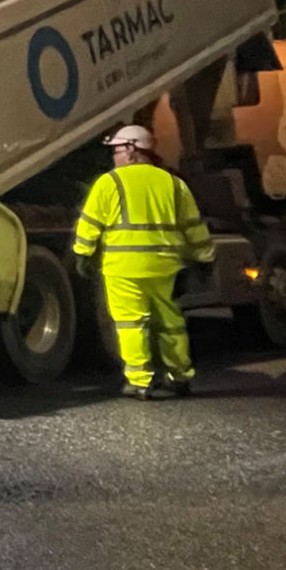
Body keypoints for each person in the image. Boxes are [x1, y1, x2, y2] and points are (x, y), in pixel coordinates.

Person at [72, 123, 214, 400]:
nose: (114, 157)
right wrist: (204, 259)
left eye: (116, 151)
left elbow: (90, 224)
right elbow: (193, 227)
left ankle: (140, 382)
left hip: (122, 268)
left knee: (131, 324)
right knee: (171, 322)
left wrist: (83, 253)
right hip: (165, 266)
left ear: (131, 150)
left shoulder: (109, 183)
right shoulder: (174, 184)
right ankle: (179, 376)